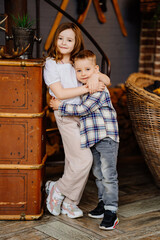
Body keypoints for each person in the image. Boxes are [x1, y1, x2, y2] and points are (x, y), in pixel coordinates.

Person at [43, 22, 110, 219]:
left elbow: (106, 81)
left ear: (75, 43)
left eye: (69, 40)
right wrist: (88, 88)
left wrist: (96, 78)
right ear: (55, 40)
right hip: (65, 115)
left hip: (84, 115)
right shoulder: (51, 64)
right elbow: (60, 93)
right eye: (60, 38)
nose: (64, 42)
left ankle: (70, 203)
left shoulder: (78, 63)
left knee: (75, 160)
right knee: (85, 159)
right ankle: (58, 189)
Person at [50, 50, 119, 230]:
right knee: (98, 174)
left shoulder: (99, 89)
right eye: (79, 71)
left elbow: (83, 109)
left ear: (95, 69)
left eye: (87, 69)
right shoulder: (86, 89)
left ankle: (111, 211)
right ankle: (103, 203)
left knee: (108, 175)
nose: (83, 74)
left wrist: (60, 105)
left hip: (106, 137)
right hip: (93, 139)